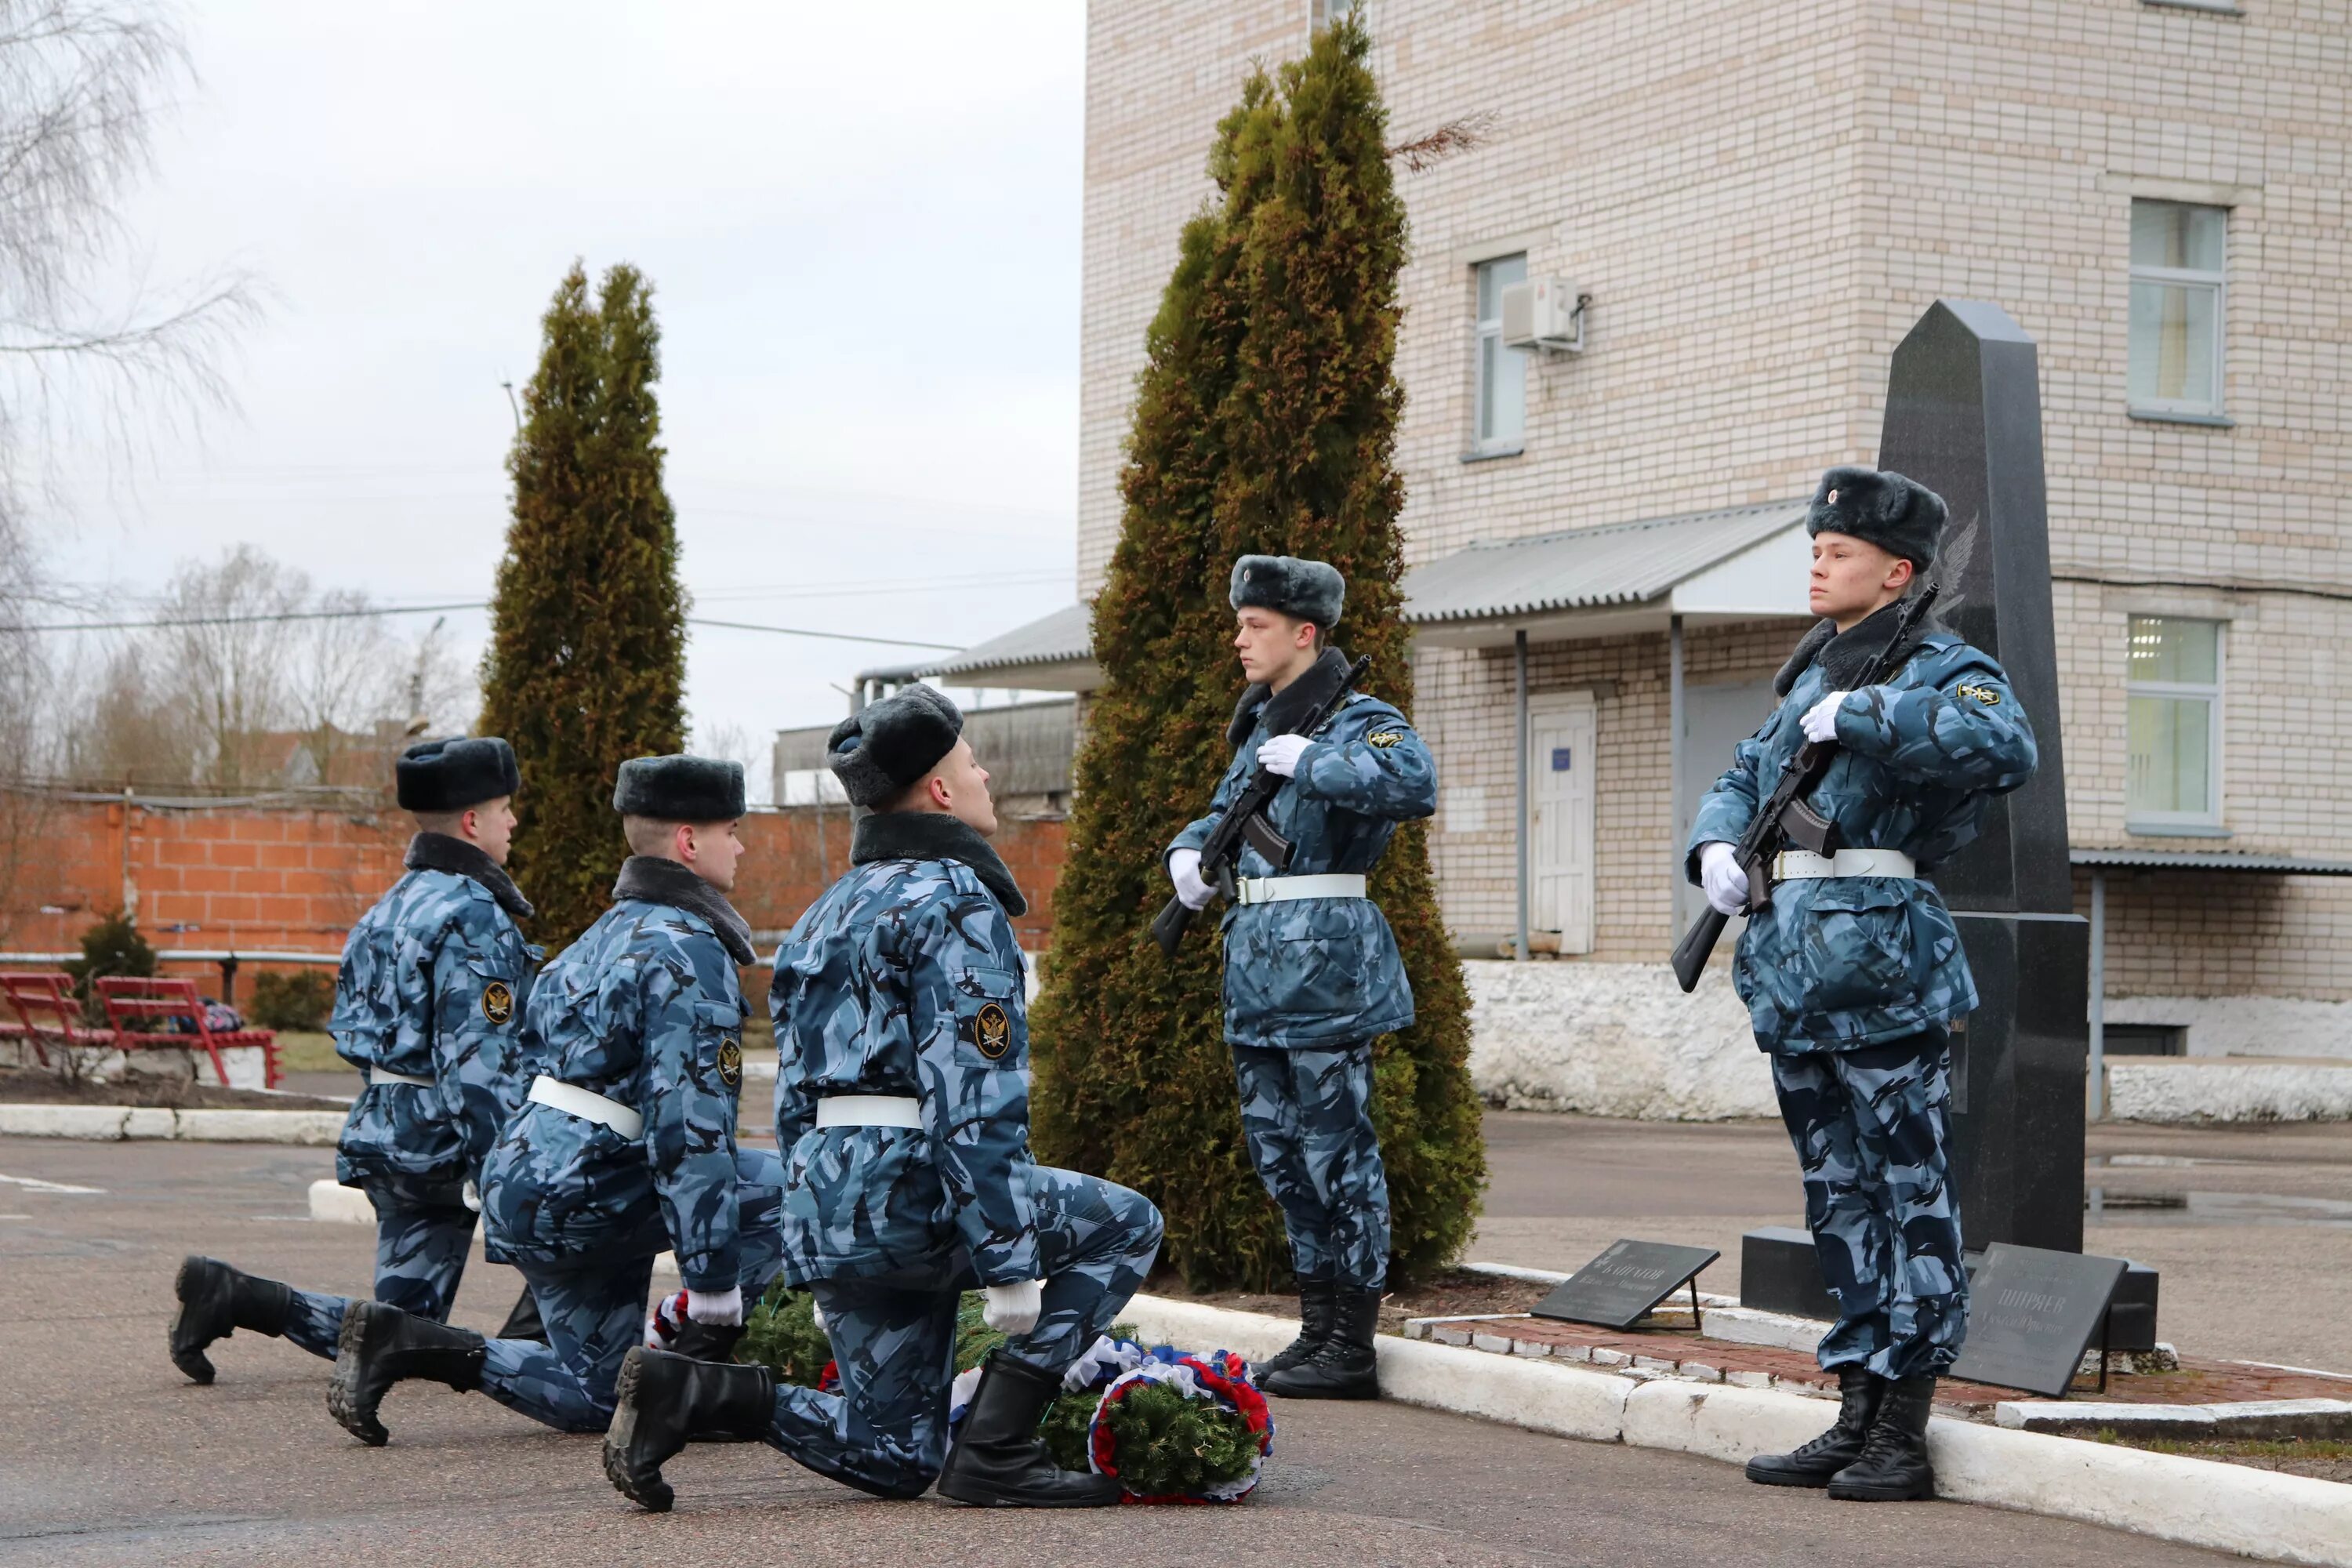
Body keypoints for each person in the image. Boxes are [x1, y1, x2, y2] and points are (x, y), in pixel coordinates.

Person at [601, 684, 1163, 1511]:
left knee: (893, 1452)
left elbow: (792, 1086)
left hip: (834, 1189)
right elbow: (974, 1097)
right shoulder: (959, 901)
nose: (985, 779)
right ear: (940, 790)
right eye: (974, 765)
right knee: (1126, 1223)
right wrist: (1008, 1261)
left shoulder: (825, 909)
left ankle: (694, 1392)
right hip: (914, 1188)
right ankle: (998, 1446)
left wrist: (813, 1221)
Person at [1688, 466, 2038, 1502]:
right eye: (1817, 547)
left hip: (1883, 970)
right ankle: (1854, 1407)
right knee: (1836, 1197)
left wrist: (1872, 716)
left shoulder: (1941, 666)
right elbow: (1745, 776)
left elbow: (2007, 746)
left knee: (1908, 1194)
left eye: (1838, 552)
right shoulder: (1808, 677)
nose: (1818, 562)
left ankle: (1905, 1424)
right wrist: (1712, 842)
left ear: (1898, 572)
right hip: (1795, 974)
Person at [324, 755, 785, 1446]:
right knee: (786, 1188)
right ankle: (692, 1379)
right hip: (590, 1188)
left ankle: (408, 1342)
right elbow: (689, 1132)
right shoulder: (691, 951)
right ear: (689, 842)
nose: (742, 846)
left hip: (534, 1178)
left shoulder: (595, 938)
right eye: (731, 830)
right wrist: (713, 1283)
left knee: (594, 1393)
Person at [169, 737, 543, 1383]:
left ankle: (236, 1297)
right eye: (505, 808)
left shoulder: (387, 908)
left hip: (385, 1126)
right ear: (472, 821)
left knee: (395, 1326)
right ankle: (552, 1359)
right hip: (446, 1139)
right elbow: (476, 1069)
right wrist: (505, 1173)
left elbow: (352, 1032)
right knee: (585, 1239)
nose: (514, 822)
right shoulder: (476, 914)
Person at [1163, 555, 1436, 1401]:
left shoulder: (1359, 718)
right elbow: (1223, 809)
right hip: (1257, 971)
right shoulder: (1260, 725)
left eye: (1256, 624)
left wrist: (1313, 762)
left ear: (1305, 633)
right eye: (1241, 621)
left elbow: (1414, 781)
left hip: (1325, 970)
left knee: (1339, 1153)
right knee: (1281, 1156)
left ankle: (1351, 1338)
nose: (1239, 637)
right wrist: (1188, 851)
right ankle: (1317, 1323)